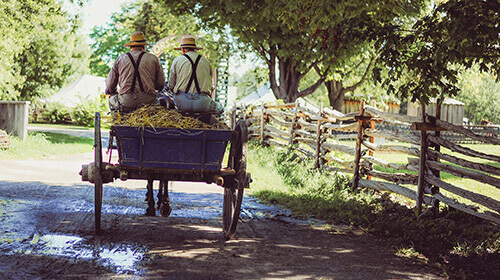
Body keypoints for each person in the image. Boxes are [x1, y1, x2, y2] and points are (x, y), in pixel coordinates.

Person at [106, 31, 165, 112]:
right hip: (148, 102)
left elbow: (109, 85)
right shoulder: (153, 59)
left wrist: (113, 93)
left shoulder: (120, 59)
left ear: (131, 46)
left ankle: (117, 119)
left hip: (126, 102)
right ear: (144, 46)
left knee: (112, 99)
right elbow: (160, 84)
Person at [166, 35, 218, 113]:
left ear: (182, 50)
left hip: (182, 103)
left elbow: (171, 86)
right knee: (220, 108)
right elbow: (211, 87)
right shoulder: (206, 61)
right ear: (195, 49)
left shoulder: (177, 60)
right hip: (202, 103)